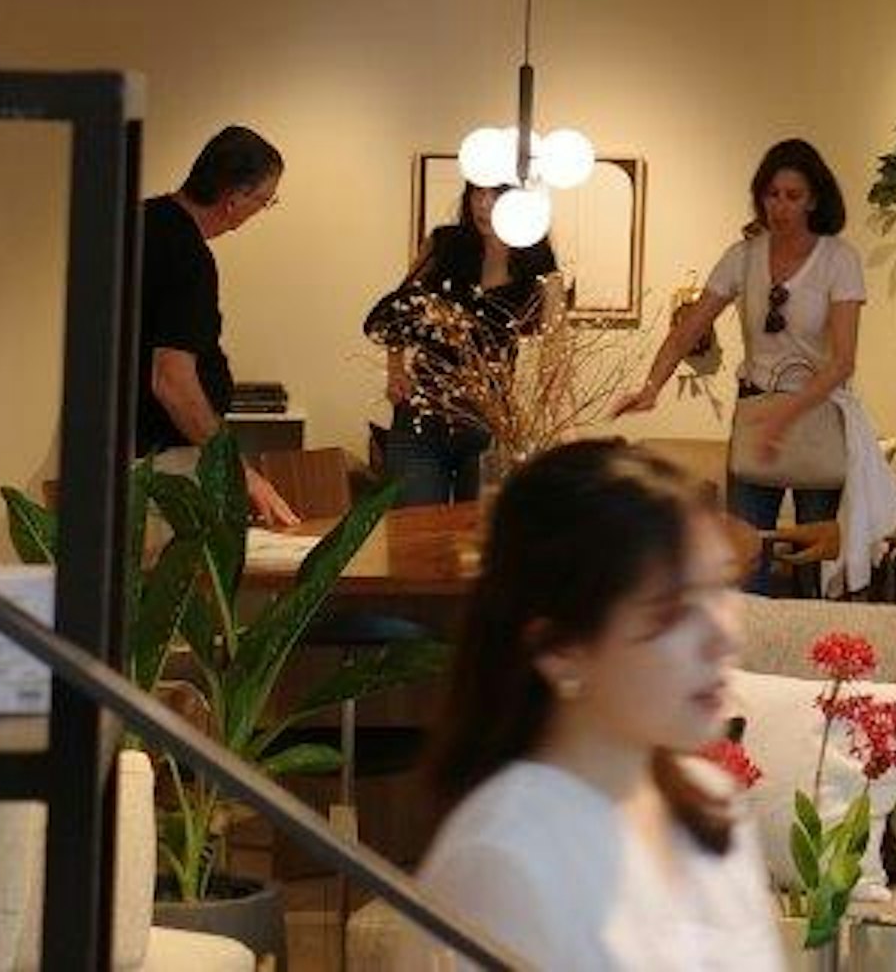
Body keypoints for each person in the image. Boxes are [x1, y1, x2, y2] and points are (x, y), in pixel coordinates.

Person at [406, 440, 775, 970]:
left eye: (720, 589)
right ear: (560, 649)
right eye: (671, 611)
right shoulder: (506, 859)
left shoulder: (709, 804)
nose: (723, 634)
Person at [615, 138, 863, 593]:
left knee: (815, 568)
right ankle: (743, 659)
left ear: (814, 200)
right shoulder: (743, 256)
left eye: (793, 196)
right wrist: (652, 386)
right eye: (772, 194)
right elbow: (689, 329)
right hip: (755, 414)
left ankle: (811, 660)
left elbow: (843, 361)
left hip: (815, 415)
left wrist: (784, 416)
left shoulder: (838, 258)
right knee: (744, 564)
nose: (781, 207)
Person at [133, 123, 296, 528]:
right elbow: (171, 381)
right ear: (234, 198)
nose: (261, 210)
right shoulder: (188, 257)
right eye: (265, 200)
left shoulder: (138, 221)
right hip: (162, 467)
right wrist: (237, 471)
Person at [363, 183, 561, 504]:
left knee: (480, 536)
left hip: (489, 421)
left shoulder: (537, 261)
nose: (483, 205)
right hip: (422, 417)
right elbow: (399, 309)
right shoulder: (445, 244)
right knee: (418, 535)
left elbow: (555, 348)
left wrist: (550, 418)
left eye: (496, 195)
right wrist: (395, 368)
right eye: (476, 194)